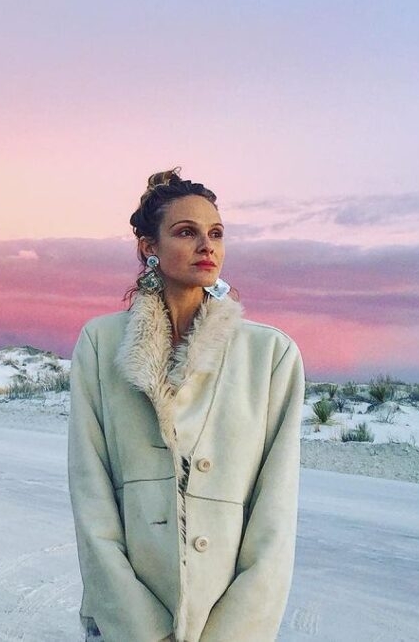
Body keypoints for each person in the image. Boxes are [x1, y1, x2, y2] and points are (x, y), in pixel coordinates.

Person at [68, 169, 304, 642]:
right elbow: (90, 495)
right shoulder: (100, 343)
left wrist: (236, 631)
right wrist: (138, 626)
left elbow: (275, 515)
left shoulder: (271, 354)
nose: (207, 246)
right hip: (124, 621)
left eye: (216, 233)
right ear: (148, 248)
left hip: (226, 620)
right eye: (186, 232)